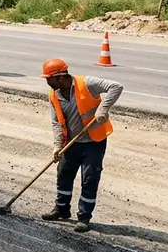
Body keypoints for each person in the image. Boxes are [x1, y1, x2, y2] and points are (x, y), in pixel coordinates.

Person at [39, 59, 123, 233]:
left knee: (89, 178)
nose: (47, 81)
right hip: (71, 143)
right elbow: (57, 122)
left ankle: (84, 217)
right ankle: (62, 209)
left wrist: (103, 108)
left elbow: (116, 86)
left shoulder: (87, 83)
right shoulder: (54, 94)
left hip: (93, 142)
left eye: (49, 78)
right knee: (63, 174)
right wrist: (57, 146)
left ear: (60, 77)